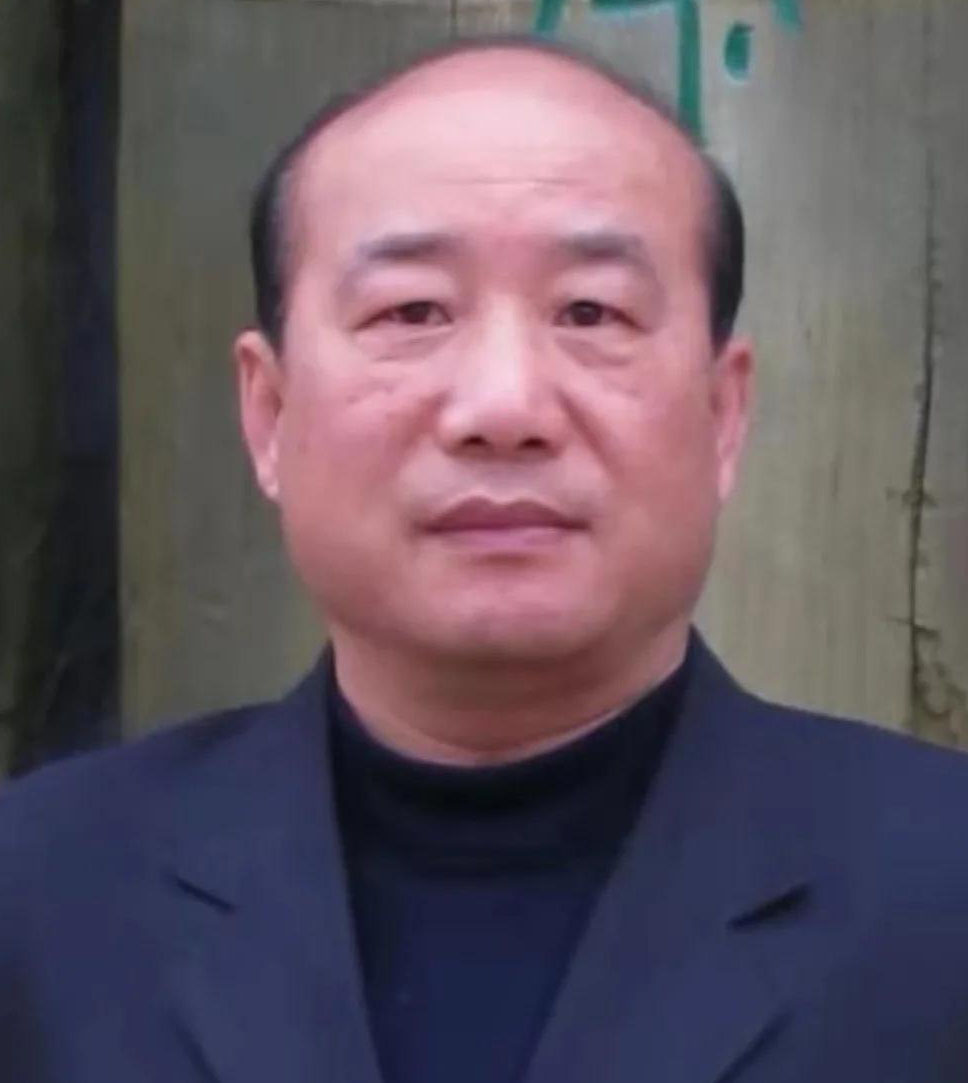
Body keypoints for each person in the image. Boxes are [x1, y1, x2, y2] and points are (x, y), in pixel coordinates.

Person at [3, 34, 968, 1083]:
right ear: (269, 413)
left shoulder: (937, 891)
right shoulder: (43, 899)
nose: (504, 406)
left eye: (590, 312)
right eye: (412, 311)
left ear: (721, 414)